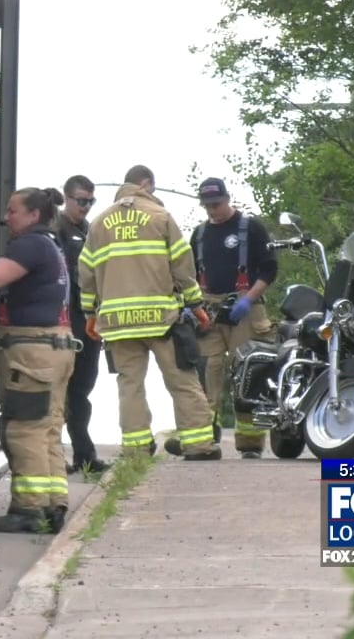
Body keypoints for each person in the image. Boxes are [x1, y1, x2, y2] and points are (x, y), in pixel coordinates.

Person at [0, 187, 78, 534]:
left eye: (13, 211)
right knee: (47, 429)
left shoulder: (31, 245)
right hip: (55, 348)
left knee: (24, 430)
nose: (6, 218)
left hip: (32, 352)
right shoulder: (49, 245)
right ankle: (53, 505)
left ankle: (28, 510)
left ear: (34, 215)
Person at [78, 165, 222, 461]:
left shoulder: (99, 224)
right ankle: (198, 445)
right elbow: (183, 264)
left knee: (130, 385)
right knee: (182, 379)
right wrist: (196, 305)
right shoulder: (160, 217)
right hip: (161, 319)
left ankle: (136, 449)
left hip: (117, 323)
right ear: (145, 184)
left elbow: (87, 274)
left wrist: (89, 314)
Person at [164, 177, 279, 460]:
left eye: (216, 204)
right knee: (206, 374)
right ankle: (202, 438)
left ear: (228, 199)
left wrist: (249, 299)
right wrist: (192, 306)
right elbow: (189, 274)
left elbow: (269, 269)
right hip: (210, 313)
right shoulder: (200, 234)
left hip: (245, 309)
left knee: (247, 375)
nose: (212, 211)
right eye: (207, 206)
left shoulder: (250, 228)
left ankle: (250, 443)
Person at [52, 174, 109, 476]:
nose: (86, 206)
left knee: (81, 392)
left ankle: (84, 456)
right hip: (66, 321)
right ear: (67, 198)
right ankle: (56, 457)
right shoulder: (57, 229)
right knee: (61, 392)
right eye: (81, 200)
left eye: (90, 201)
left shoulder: (88, 231)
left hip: (89, 321)